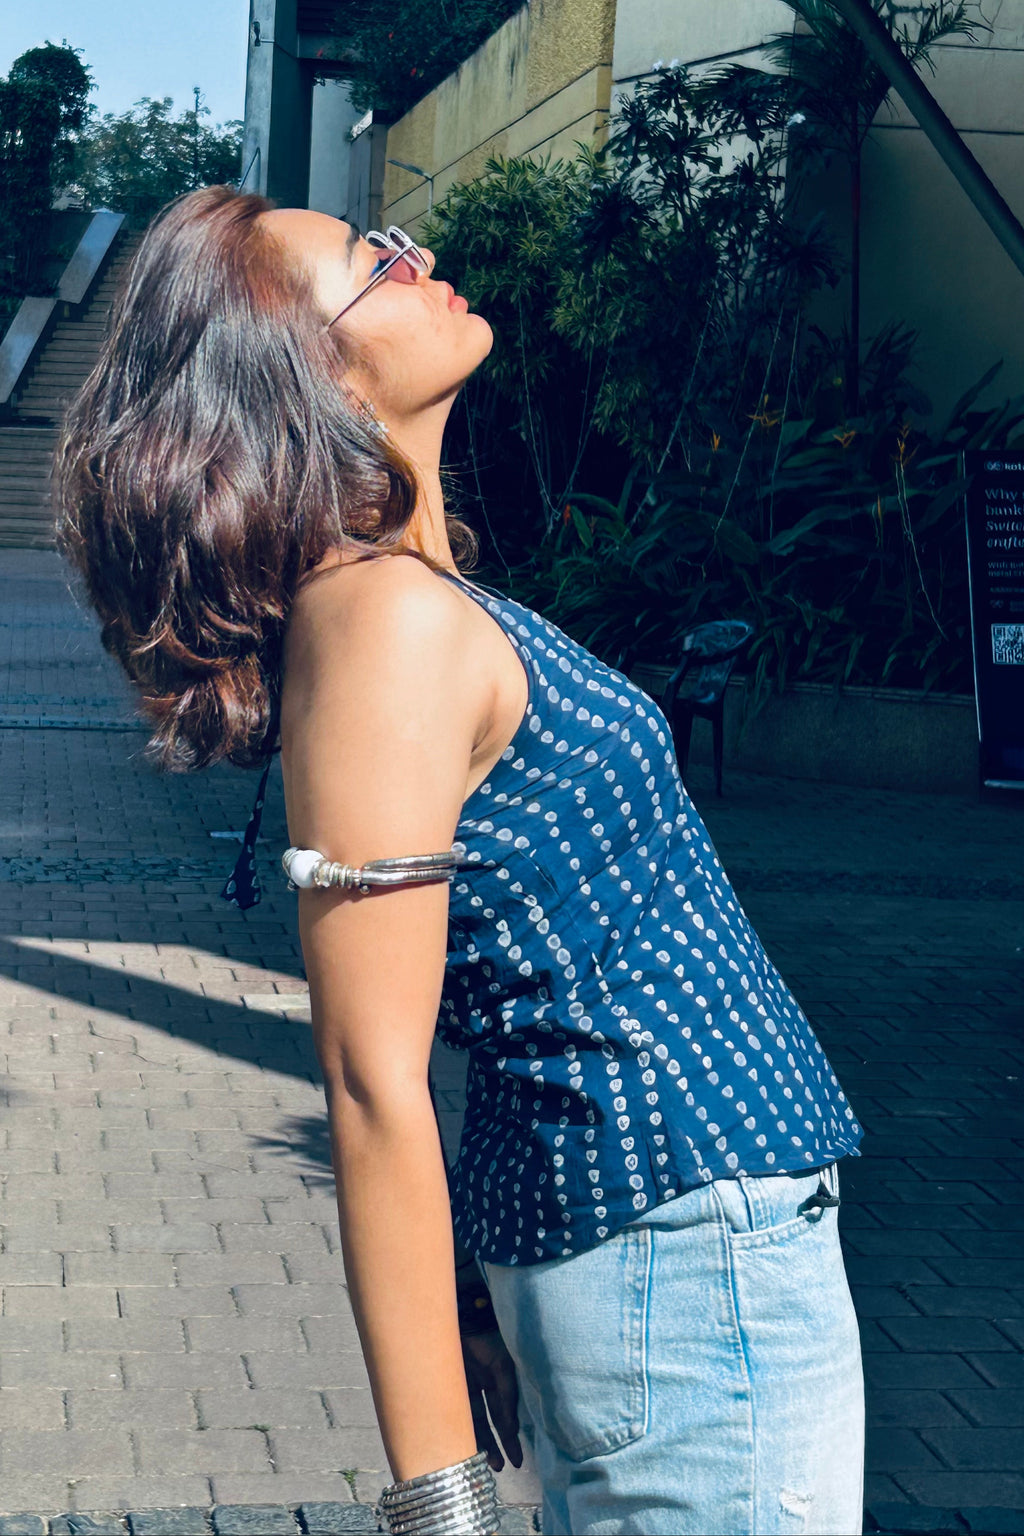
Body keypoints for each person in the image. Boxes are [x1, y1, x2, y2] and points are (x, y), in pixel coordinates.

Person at [56, 185, 865, 1536]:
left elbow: (485, 981)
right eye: (369, 264)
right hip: (689, 1258)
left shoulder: (414, 603)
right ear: (305, 374)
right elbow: (370, 1079)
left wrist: (472, 1297)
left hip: (681, 1246)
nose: (412, 254)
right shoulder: (381, 626)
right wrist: (443, 1506)